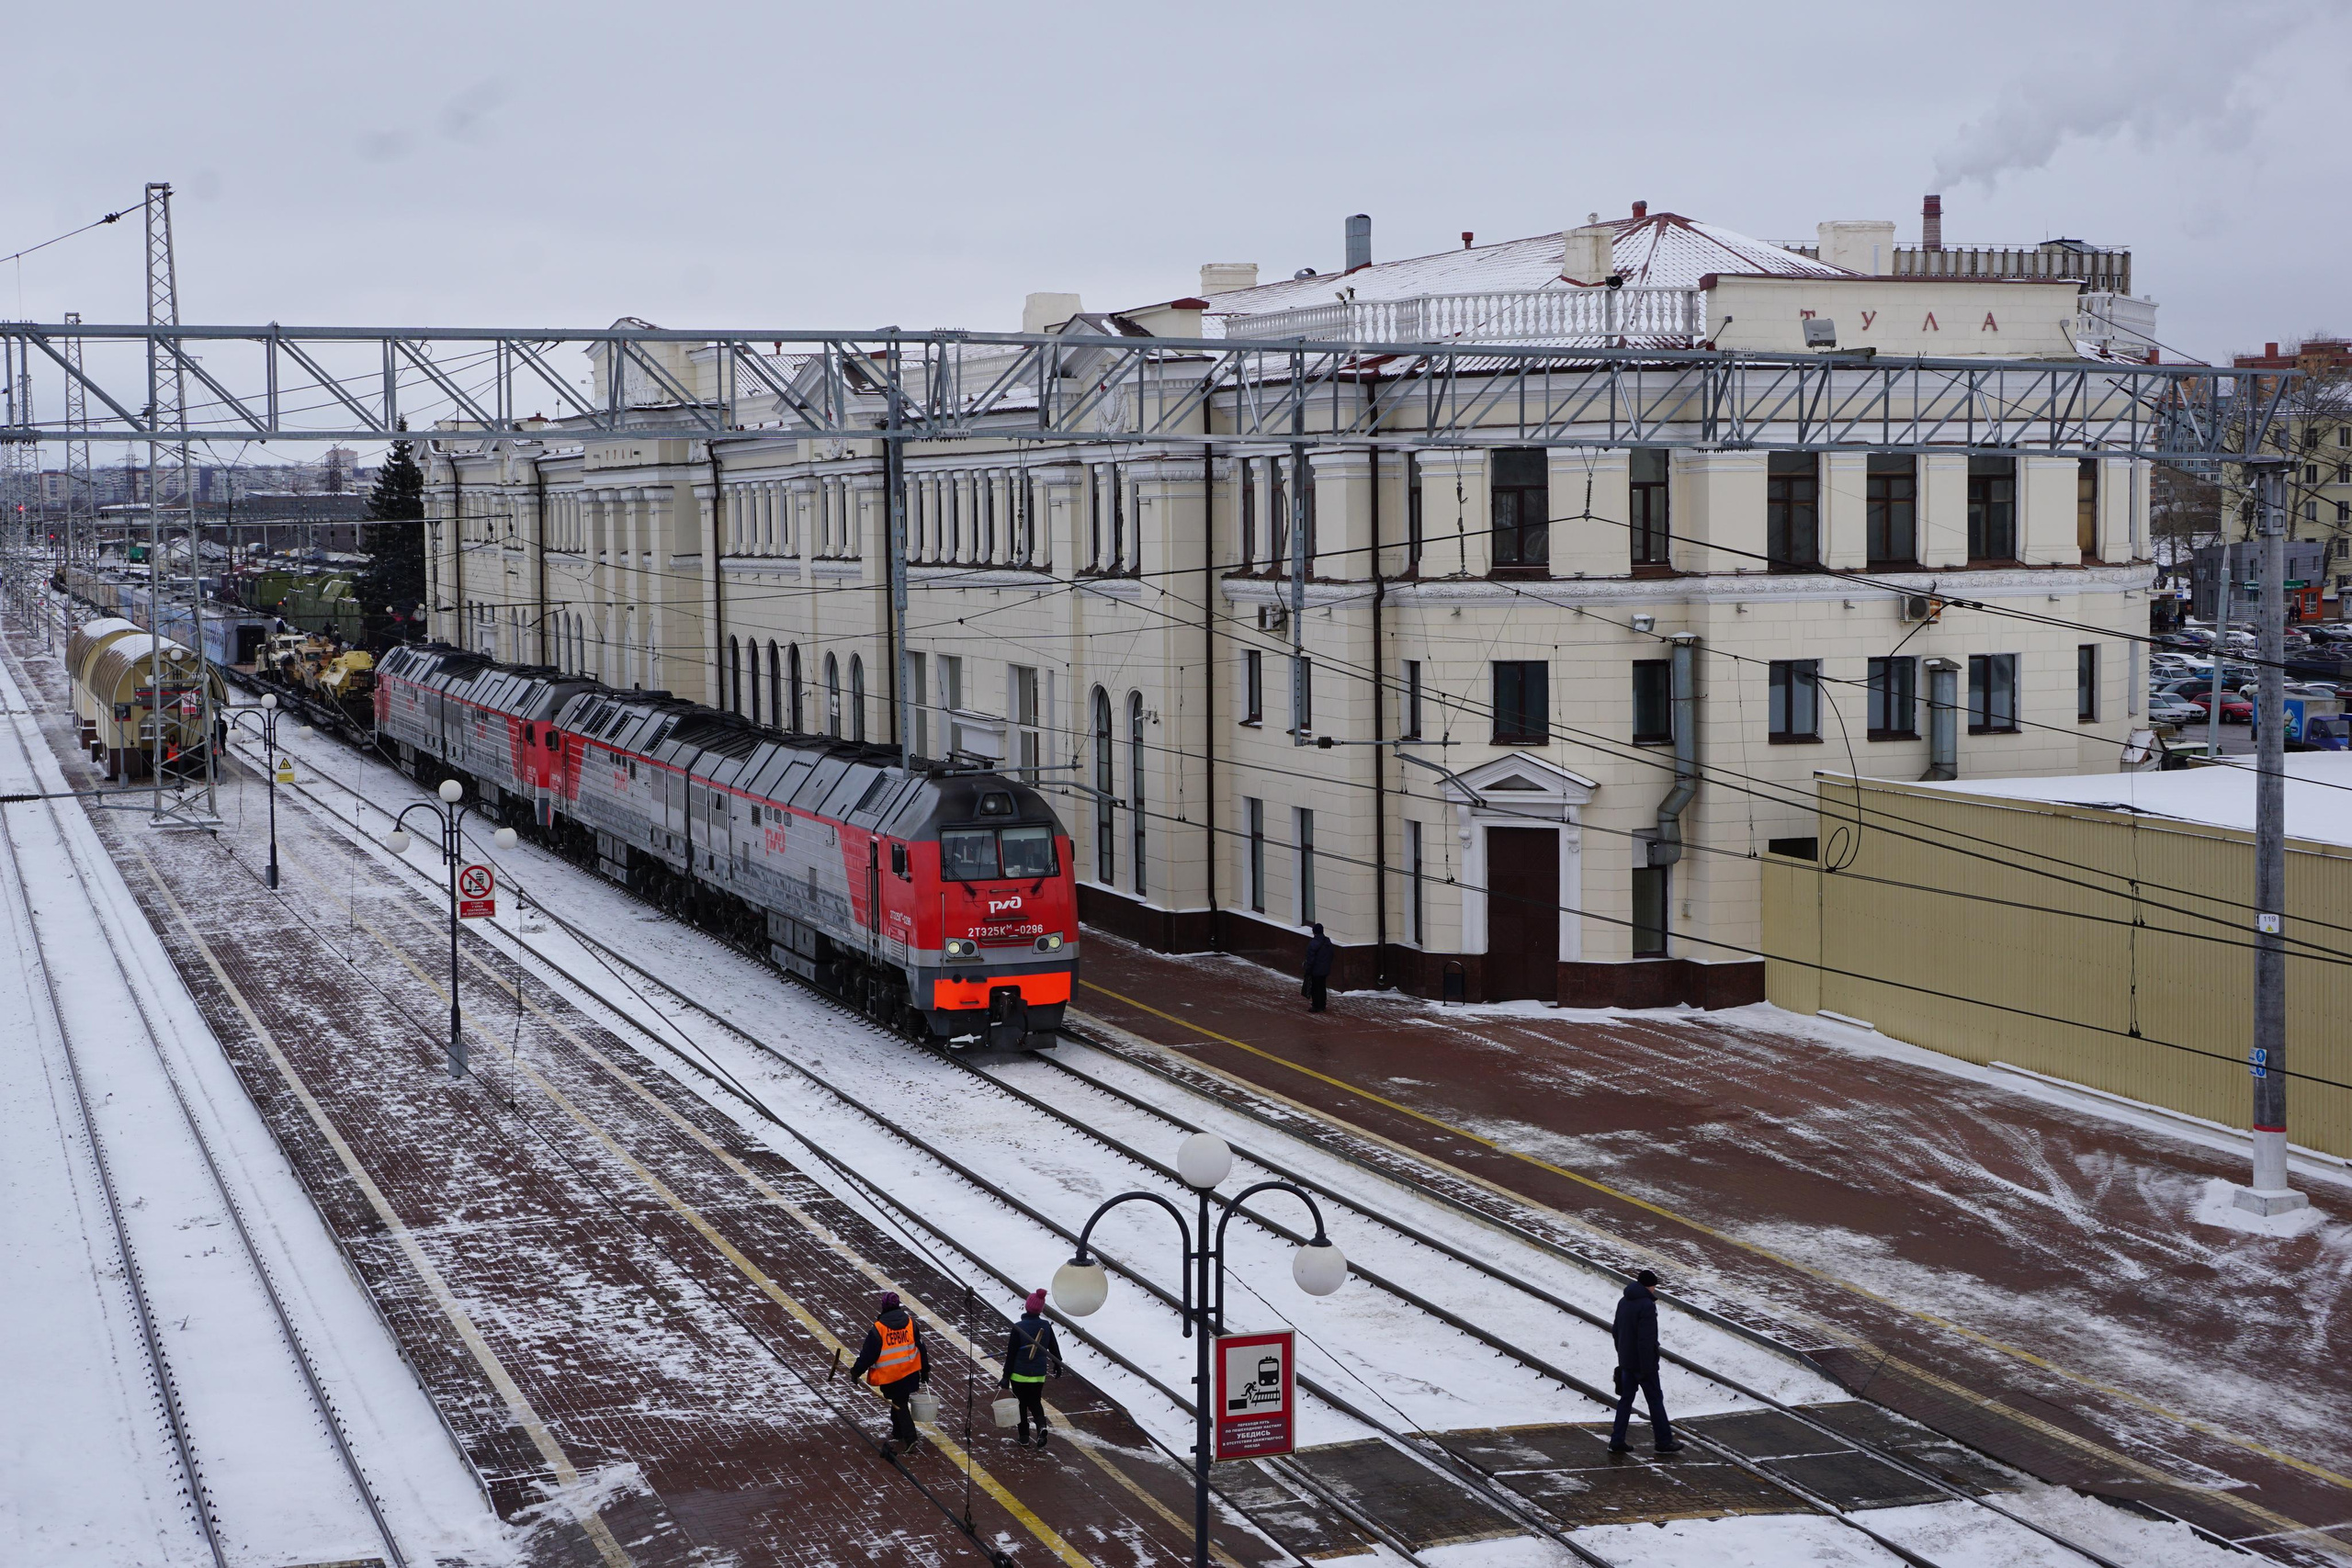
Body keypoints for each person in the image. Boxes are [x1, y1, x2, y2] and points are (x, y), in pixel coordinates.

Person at [1609, 1269, 1681, 1455]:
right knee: (1655, 1400)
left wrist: (1623, 1355)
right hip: (1643, 1365)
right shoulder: (1647, 1306)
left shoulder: (1623, 1301)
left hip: (1626, 1362)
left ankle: (1617, 1441)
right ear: (1650, 1286)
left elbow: (1616, 1331)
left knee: (1625, 1400)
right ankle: (1663, 1441)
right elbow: (1646, 1339)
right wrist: (1647, 1365)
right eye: (1654, 1286)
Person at [848, 1290, 929, 1455]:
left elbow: (868, 1354)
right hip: (910, 1372)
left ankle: (910, 1437)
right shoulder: (910, 1323)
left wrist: (856, 1371)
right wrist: (925, 1370)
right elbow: (921, 1347)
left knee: (899, 1404)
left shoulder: (879, 1328)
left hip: (891, 1375)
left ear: (884, 1306)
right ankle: (898, 1431)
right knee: (900, 1400)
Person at [999, 1288, 1063, 1449]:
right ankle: (1042, 1427)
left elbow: (1011, 1354)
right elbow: (1054, 1348)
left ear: (1027, 1307)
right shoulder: (1046, 1326)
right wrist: (1058, 1364)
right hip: (1038, 1374)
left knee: (1020, 1404)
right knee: (1035, 1402)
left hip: (1019, 1375)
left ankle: (1024, 1437)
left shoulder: (1019, 1327)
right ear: (1040, 1309)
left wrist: (1006, 1376)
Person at [1302, 923, 1336, 1013]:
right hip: (1324, 969)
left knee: (1315, 988)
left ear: (1314, 932)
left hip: (1315, 970)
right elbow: (1332, 954)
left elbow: (1310, 959)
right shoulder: (1327, 942)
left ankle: (1316, 1006)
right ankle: (1322, 1005)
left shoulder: (1313, 943)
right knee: (1322, 986)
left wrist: (1307, 970)